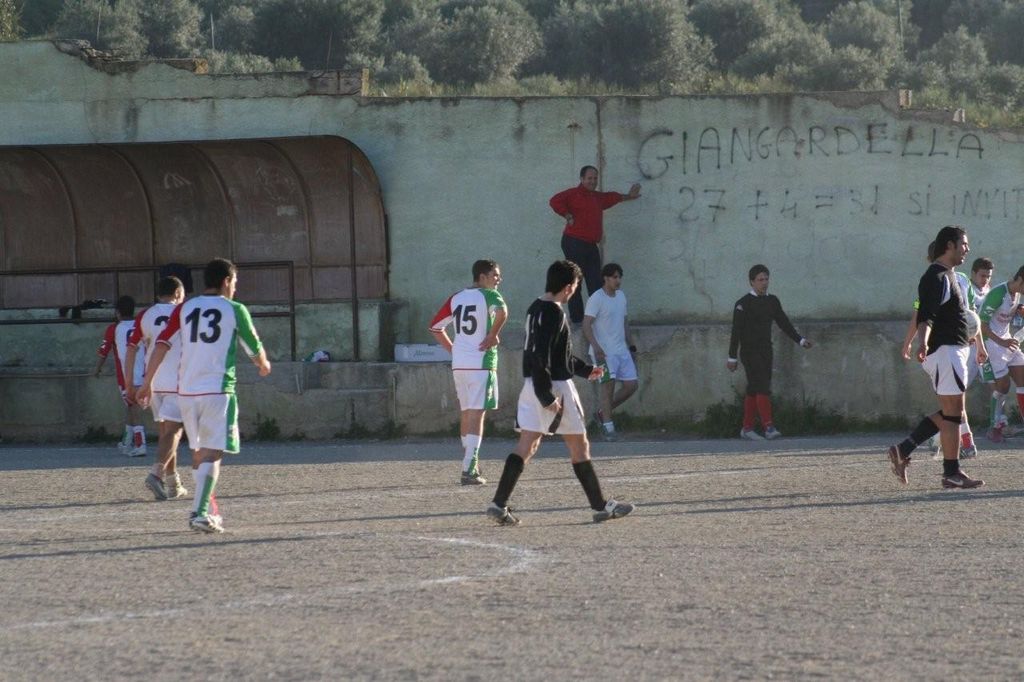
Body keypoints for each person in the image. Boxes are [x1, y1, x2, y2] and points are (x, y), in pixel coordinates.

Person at [486, 260, 635, 526]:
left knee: (527, 445)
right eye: (575, 286)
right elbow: (541, 356)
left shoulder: (536, 307)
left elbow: (556, 354)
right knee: (579, 445)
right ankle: (601, 506)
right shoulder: (554, 313)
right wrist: (547, 396)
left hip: (533, 384)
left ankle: (498, 503)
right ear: (568, 287)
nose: (574, 291)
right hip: (554, 387)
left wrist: (585, 369)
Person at [137, 258, 272, 533]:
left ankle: (207, 510)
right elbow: (253, 346)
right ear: (226, 281)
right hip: (217, 390)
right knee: (213, 452)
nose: (235, 288)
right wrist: (263, 364)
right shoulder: (234, 309)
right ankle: (199, 513)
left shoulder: (185, 307)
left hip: (186, 392)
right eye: (234, 282)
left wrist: (147, 382)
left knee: (199, 452)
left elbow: (161, 345)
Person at [888, 226, 985, 489]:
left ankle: (903, 449)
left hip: (953, 349)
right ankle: (951, 472)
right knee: (954, 415)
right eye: (964, 244)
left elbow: (944, 315)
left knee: (953, 412)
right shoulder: (936, 277)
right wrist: (921, 342)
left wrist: (967, 336)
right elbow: (924, 315)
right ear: (949, 245)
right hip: (945, 352)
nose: (967, 249)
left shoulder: (951, 276)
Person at [899, 252, 991, 457]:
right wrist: (911, 342)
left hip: (960, 346)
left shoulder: (962, 281)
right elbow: (920, 313)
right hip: (943, 349)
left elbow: (971, 316)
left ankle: (941, 440)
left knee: (955, 401)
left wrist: (979, 345)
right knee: (955, 401)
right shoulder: (933, 281)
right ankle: (962, 443)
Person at [428, 259, 508, 485]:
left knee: (466, 413)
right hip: (481, 363)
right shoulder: (489, 295)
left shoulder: (457, 297)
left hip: (460, 364)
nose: (498, 279)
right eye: (495, 275)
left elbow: (435, 327)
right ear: (482, 277)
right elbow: (503, 312)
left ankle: (469, 461)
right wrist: (493, 334)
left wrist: (454, 350)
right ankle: (469, 468)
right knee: (476, 414)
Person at [726, 265, 813, 440]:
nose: (764, 283)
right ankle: (769, 427)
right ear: (752, 282)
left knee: (754, 388)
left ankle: (747, 428)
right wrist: (732, 357)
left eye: (766, 279)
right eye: (760, 280)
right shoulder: (742, 304)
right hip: (749, 352)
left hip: (766, 350)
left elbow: (783, 323)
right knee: (762, 386)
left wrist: (800, 340)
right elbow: (736, 332)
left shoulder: (772, 301)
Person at [548, 166, 641, 324]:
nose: (593, 181)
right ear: (582, 179)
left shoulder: (597, 197)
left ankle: (598, 318)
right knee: (576, 282)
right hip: (574, 242)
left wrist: (629, 196)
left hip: (590, 244)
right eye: (589, 178)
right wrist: (567, 215)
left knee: (596, 282)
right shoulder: (573, 194)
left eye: (595, 178)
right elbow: (554, 201)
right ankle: (578, 320)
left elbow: (612, 197)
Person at [124, 276, 188, 501]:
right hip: (177, 380)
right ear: (178, 293)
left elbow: (131, 348)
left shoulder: (145, 315)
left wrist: (130, 383)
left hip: (153, 382)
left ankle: (173, 483)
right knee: (174, 432)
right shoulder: (184, 312)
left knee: (165, 434)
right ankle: (156, 474)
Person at [582, 262, 638, 441]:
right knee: (607, 387)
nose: (618, 280)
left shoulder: (621, 296)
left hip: (622, 351)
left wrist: (632, 345)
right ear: (606, 278)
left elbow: (624, 322)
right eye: (614, 277)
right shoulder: (596, 298)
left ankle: (602, 413)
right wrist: (596, 346)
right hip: (603, 354)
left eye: (619, 277)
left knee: (631, 385)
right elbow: (586, 324)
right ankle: (608, 427)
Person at [94, 295, 147, 457]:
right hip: (144, 373)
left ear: (117, 312)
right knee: (131, 407)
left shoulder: (114, 329)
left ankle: (140, 444)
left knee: (134, 408)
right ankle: (127, 442)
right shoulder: (141, 326)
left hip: (126, 377)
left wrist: (97, 370)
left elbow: (103, 352)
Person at [978, 264, 1024, 444]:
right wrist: (1002, 342)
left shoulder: (1017, 294)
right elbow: (981, 325)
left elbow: (1009, 313)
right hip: (991, 344)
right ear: (1020, 280)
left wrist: (1020, 310)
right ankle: (994, 427)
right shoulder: (998, 293)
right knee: (1003, 386)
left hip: (1006, 341)